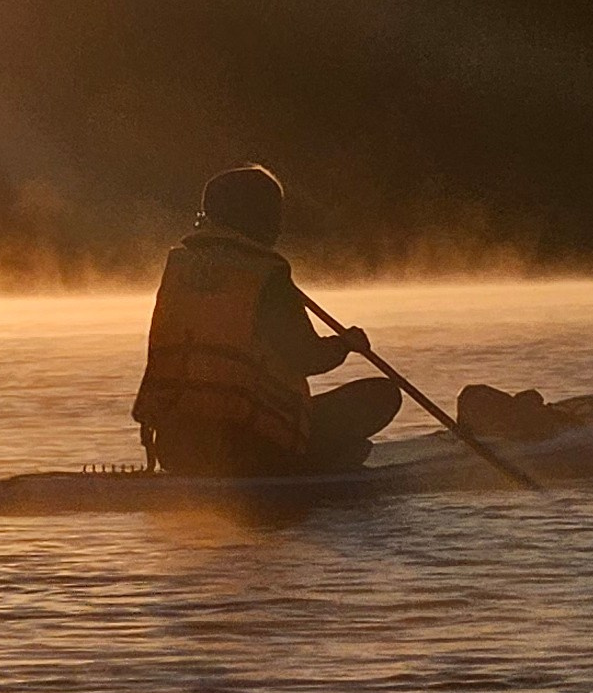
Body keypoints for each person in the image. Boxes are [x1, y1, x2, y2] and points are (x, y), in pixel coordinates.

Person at [133, 164, 399, 477]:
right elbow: (306, 357)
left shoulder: (182, 268)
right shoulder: (266, 277)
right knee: (383, 394)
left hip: (176, 447)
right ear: (258, 218)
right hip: (250, 447)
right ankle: (313, 459)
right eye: (275, 214)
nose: (279, 224)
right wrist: (345, 344)